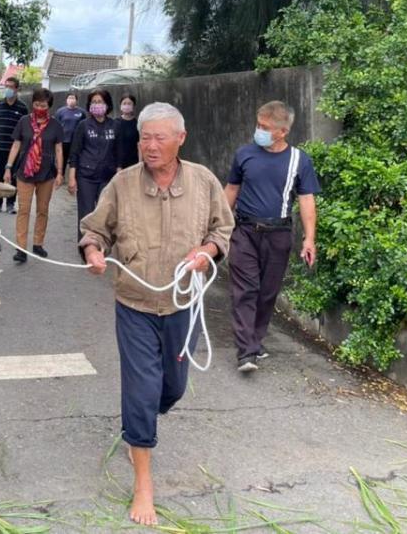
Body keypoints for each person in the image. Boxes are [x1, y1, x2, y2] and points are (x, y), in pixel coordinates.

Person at [80, 102, 233, 527]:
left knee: (173, 388)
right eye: (145, 137)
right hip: (135, 304)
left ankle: (142, 423)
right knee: (142, 391)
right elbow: (95, 229)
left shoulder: (203, 181)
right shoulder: (123, 183)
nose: (150, 145)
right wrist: (94, 251)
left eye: (160, 137)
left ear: (180, 139)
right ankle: (143, 480)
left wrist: (207, 251)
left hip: (183, 304)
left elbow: (223, 229)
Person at [224, 100, 321, 373]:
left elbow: (306, 200)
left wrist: (309, 238)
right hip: (244, 231)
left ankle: (255, 340)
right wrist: (216, 224)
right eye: (258, 124)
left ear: (282, 131)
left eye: (265, 127)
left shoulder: (299, 160)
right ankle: (246, 352)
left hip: (278, 234)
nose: (259, 130)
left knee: (267, 293)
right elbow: (231, 190)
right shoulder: (244, 154)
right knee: (245, 290)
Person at [3, 88, 64, 263]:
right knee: (23, 210)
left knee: (42, 211)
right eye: (36, 104)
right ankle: (21, 248)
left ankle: (38, 244)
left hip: (47, 174)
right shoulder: (24, 122)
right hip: (25, 173)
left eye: (43, 105)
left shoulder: (55, 125)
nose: (39, 107)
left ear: (49, 106)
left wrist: (60, 173)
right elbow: (16, 145)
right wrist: (8, 167)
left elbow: (59, 149)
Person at [68, 88, 117, 244]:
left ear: (107, 105)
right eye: (94, 102)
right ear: (89, 105)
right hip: (86, 176)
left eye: (100, 102)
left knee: (104, 213)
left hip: (107, 177)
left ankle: (102, 243)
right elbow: (74, 153)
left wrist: (119, 173)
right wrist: (71, 177)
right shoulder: (83, 125)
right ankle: (86, 246)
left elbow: (119, 153)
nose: (97, 105)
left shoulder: (115, 126)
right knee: (86, 213)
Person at [0, 76, 28, 213]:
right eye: (6, 86)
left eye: (11, 87)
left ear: (17, 89)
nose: (8, 89)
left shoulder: (22, 108)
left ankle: (10, 204)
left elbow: (26, 126)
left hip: (15, 148)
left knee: (13, 177)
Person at [55, 92, 85, 177]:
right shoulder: (60, 111)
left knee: (75, 159)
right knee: (62, 158)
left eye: (73, 98)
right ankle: (60, 175)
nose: (71, 100)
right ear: (66, 100)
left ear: (76, 100)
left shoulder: (81, 112)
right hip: (64, 139)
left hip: (76, 140)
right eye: (70, 98)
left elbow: (84, 125)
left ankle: (74, 176)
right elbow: (56, 125)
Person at [115, 93, 140, 170]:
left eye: (129, 103)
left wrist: (140, 163)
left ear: (133, 106)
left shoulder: (138, 123)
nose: (126, 106)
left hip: (133, 162)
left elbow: (139, 145)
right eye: (124, 103)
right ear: (120, 106)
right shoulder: (115, 123)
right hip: (118, 163)